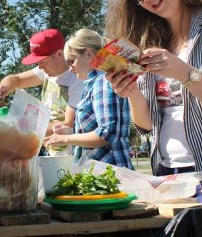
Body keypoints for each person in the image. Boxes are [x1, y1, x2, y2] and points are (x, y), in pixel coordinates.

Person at [104, 0, 202, 192]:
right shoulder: (151, 43)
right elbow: (148, 126)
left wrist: (184, 73)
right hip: (169, 176)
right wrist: (132, 93)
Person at [43, 29, 134, 169]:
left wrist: (65, 139)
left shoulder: (103, 81)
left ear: (89, 53)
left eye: (71, 61)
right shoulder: (91, 83)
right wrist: (72, 132)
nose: (70, 68)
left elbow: (107, 133)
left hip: (112, 176)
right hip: (102, 175)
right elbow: (97, 130)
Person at [0, 29, 83, 130]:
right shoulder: (45, 71)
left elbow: (68, 124)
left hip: (69, 145)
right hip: (48, 144)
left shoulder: (77, 79)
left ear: (59, 54)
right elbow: (17, 79)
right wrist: (4, 88)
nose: (39, 67)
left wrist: (26, 129)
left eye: (42, 62)